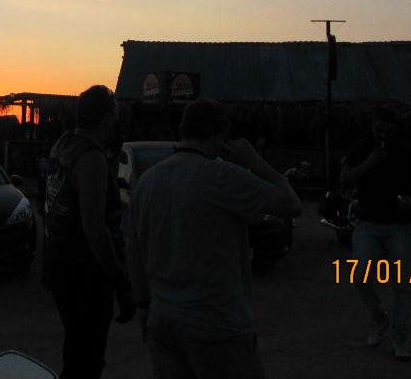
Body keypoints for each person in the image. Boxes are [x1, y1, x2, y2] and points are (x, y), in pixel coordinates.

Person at [124, 98, 302, 379]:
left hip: (163, 319)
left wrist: (144, 305)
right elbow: (291, 205)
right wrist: (254, 160)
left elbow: (133, 249)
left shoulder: (148, 180)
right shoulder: (222, 177)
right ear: (220, 137)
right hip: (216, 324)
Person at [44, 84, 134, 379]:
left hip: (60, 263)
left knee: (77, 350)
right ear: (107, 118)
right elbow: (95, 228)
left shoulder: (64, 144)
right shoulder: (91, 159)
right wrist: (120, 280)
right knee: (87, 359)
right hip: (84, 272)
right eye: (116, 115)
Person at [340, 107, 411, 362]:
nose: (382, 135)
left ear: (396, 130)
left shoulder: (407, 153)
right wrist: (369, 162)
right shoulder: (362, 149)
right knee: (360, 276)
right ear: (372, 126)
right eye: (378, 130)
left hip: (401, 225)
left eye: (388, 132)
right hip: (368, 223)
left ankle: (399, 340)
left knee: (402, 286)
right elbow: (344, 179)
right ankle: (380, 319)